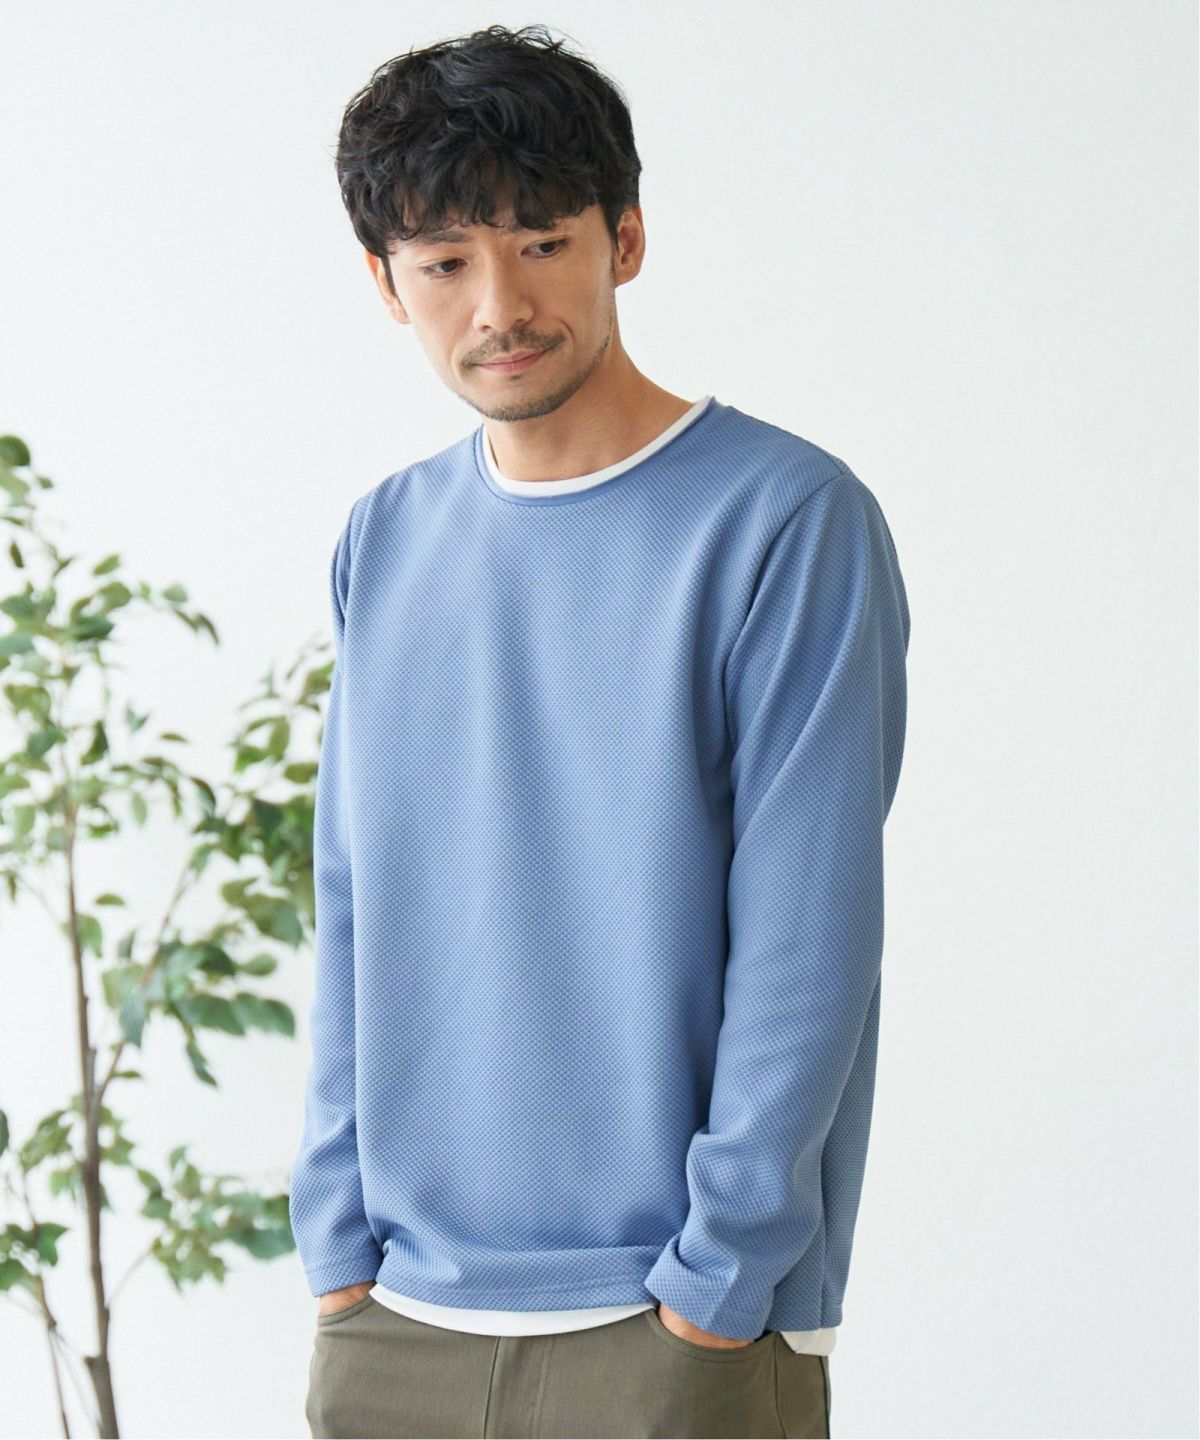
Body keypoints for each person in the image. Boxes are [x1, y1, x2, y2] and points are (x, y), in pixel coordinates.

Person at [289, 22, 911, 1440]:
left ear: (624, 239)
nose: (499, 304)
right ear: (386, 283)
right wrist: (336, 1248)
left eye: (541, 243)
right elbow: (354, 900)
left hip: (672, 1326)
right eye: (445, 262)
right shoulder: (386, 538)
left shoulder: (787, 522)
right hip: (396, 1325)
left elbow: (810, 938)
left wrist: (715, 1287)